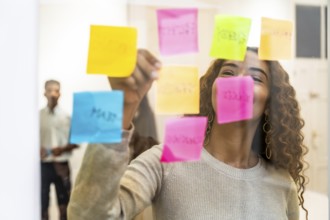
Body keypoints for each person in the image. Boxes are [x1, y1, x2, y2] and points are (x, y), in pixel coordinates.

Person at [67, 48, 308, 220]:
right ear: (211, 90)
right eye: (227, 72)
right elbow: (87, 215)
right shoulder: (168, 159)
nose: (238, 82)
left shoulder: (280, 182)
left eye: (255, 77)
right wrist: (122, 108)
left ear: (270, 104)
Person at [40, 80, 78, 220]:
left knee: (64, 204)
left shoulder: (66, 117)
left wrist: (62, 149)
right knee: (42, 203)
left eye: (56, 90)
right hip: (43, 165)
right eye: (49, 90)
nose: (53, 94)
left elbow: (75, 142)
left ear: (60, 93)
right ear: (44, 92)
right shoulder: (38, 116)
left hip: (61, 165)